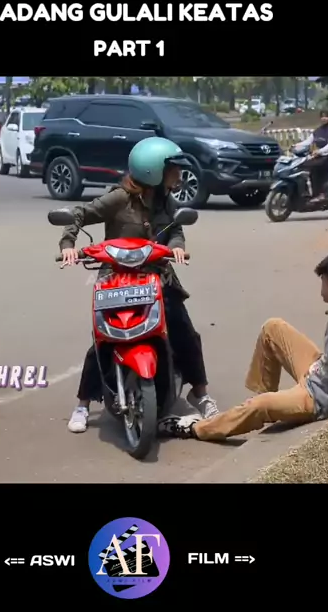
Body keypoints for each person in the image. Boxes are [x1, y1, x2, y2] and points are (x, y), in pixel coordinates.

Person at [59, 136, 219, 433]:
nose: (178, 174)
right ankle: (83, 404)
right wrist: (69, 244)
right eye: (173, 169)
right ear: (153, 171)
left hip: (157, 276)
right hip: (116, 276)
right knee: (104, 337)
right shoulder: (118, 198)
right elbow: (80, 214)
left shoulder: (166, 200)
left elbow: (176, 229)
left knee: (184, 331)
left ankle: (200, 393)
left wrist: (177, 246)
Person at [162, 251, 328, 441]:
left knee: (259, 406)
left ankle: (196, 428)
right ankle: (262, 401)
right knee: (273, 328)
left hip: (319, 398)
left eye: (323, 279)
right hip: (319, 372)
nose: (321, 285)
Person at [293, 110, 328, 201]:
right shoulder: (318, 130)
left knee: (314, 169)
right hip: (320, 156)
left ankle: (320, 193)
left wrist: (319, 151)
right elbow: (308, 141)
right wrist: (296, 145)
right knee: (301, 165)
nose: (324, 118)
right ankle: (305, 191)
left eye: (326, 116)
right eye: (322, 116)